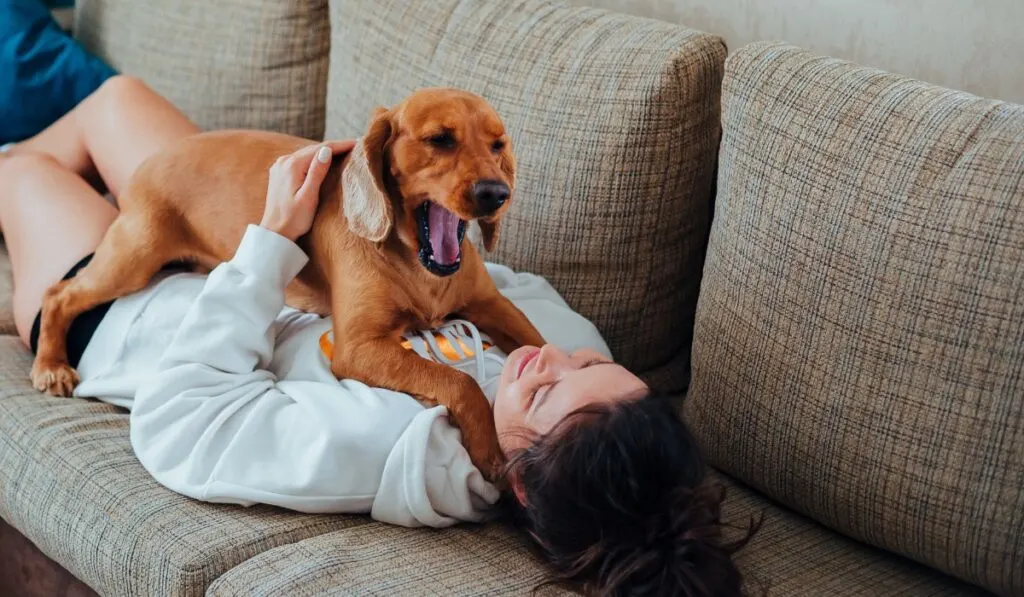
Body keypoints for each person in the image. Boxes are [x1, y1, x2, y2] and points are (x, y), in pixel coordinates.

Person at [0, 76, 757, 596]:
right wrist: (367, 191)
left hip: (134, 320)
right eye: (592, 362)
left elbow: (179, 420)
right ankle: (100, 213)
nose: (552, 356)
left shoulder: (384, 447)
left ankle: (49, 278)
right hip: (243, 241)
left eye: (552, 385)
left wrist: (269, 240)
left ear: (518, 478)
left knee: (21, 166)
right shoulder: (559, 351)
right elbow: (499, 294)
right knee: (117, 100)